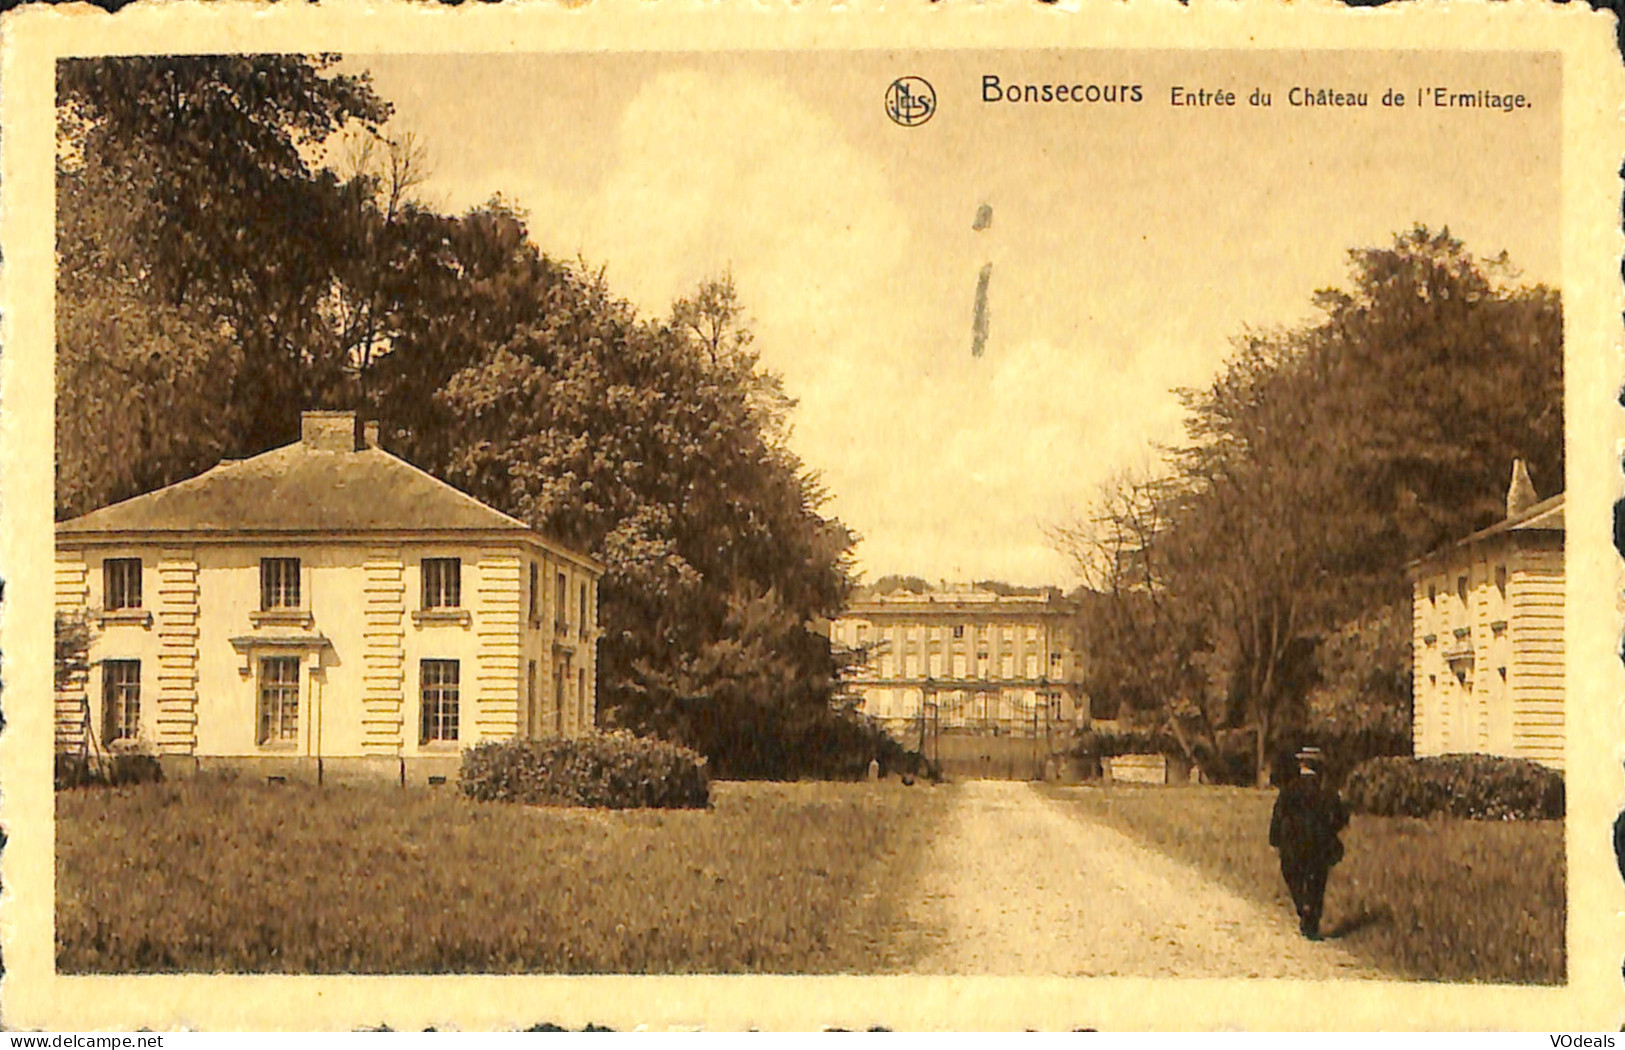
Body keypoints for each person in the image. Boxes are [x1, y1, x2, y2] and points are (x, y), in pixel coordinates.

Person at [1268, 746, 1348, 940]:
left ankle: (1302, 906)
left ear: (1301, 766)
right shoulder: (1328, 793)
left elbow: (1278, 816)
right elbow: (1340, 818)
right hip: (1318, 844)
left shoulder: (1288, 790)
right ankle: (1312, 922)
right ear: (1319, 769)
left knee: (1293, 876)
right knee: (1317, 882)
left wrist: (1275, 838)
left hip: (1292, 844)